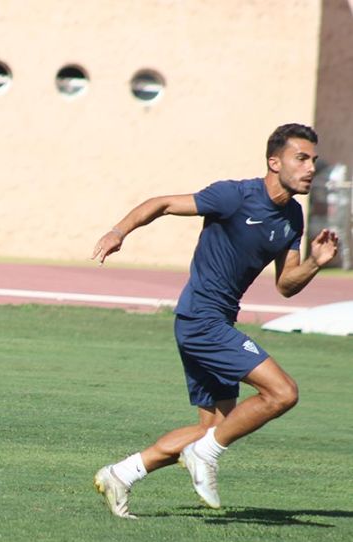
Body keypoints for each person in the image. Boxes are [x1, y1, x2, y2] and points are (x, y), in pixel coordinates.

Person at [90, 123, 339, 518]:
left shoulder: (292, 216)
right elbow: (162, 203)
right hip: (201, 320)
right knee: (282, 393)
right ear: (274, 162)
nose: (311, 168)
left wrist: (314, 263)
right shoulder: (234, 195)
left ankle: (121, 474)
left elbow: (286, 285)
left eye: (314, 160)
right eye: (302, 158)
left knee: (216, 428)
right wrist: (119, 231)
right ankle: (203, 455)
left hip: (216, 322)